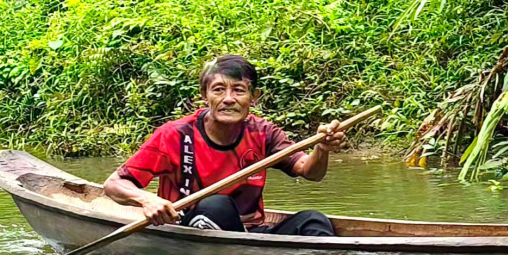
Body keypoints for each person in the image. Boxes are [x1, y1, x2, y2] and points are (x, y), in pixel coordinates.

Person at [102, 54, 343, 237]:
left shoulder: (263, 132)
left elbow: (310, 172)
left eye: (239, 90)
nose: (228, 99)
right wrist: (147, 200)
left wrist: (321, 149)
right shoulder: (175, 135)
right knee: (216, 205)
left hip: (251, 234)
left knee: (313, 221)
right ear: (204, 95)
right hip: (190, 230)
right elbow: (114, 184)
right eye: (218, 90)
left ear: (254, 97)